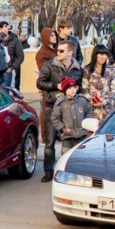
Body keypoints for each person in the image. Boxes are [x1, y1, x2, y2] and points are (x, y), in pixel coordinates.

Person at [36, 40, 82, 182]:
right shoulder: (50, 65)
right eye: (57, 50)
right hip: (52, 106)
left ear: (70, 52)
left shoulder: (77, 68)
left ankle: (66, 170)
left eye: (62, 50)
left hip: (70, 108)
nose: (58, 52)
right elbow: (40, 83)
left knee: (69, 141)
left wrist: (78, 90)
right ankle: (48, 171)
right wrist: (57, 86)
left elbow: (80, 84)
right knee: (50, 142)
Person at [51, 78, 92, 152]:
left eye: (74, 88)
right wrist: (63, 128)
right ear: (64, 90)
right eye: (69, 88)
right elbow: (55, 118)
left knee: (80, 156)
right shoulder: (60, 103)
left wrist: (86, 126)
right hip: (67, 137)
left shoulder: (82, 100)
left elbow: (89, 112)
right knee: (66, 156)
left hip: (81, 135)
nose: (72, 90)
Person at [82, 45, 115, 122]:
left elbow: (114, 89)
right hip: (91, 109)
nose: (104, 57)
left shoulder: (111, 70)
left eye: (105, 55)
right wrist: (91, 100)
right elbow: (84, 88)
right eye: (101, 54)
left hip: (107, 109)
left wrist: (104, 101)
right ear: (95, 55)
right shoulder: (87, 70)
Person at [1, 22, 25, 89]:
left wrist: (11, 68)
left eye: (6, 27)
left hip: (7, 70)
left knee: (5, 93)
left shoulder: (15, 40)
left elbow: (20, 57)